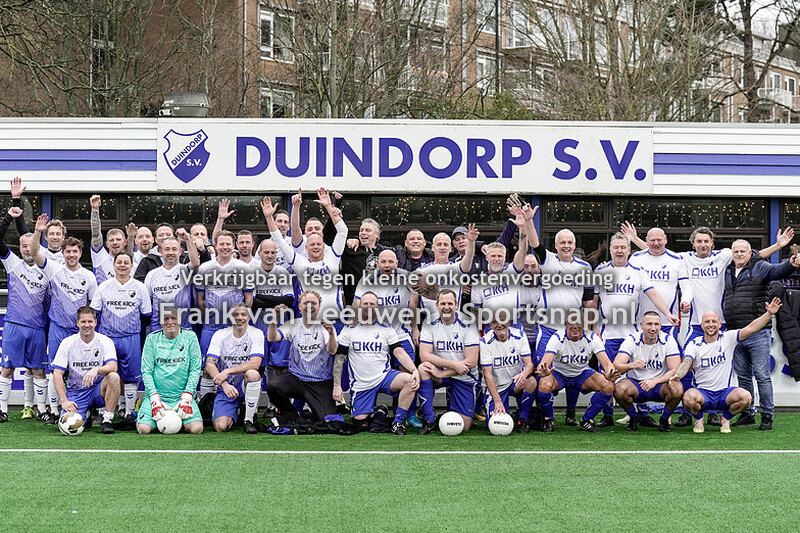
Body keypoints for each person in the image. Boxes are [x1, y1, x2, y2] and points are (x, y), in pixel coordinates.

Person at [593, 232, 678, 427]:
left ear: (629, 250)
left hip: (631, 336)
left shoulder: (639, 271)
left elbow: (653, 294)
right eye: (616, 247)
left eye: (623, 247)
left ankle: (643, 414)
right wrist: (593, 327)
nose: (620, 250)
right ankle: (607, 416)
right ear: (610, 250)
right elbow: (593, 302)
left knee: (639, 374)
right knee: (608, 376)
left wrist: (666, 313)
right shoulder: (601, 271)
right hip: (608, 336)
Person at [671, 298, 783, 434]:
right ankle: (699, 419)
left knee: (746, 397)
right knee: (688, 398)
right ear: (701, 325)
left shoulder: (728, 338)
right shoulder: (694, 343)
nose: (710, 325)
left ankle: (726, 418)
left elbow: (751, 328)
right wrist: (678, 375)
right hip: (703, 394)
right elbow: (687, 361)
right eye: (707, 322)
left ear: (719, 324)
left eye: (714, 322)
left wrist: (769, 313)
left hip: (724, 394)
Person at [722, 241, 799, 430]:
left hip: (758, 332)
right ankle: (747, 414)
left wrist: (791, 263)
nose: (739, 254)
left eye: (743, 251)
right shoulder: (728, 270)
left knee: (762, 376)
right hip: (736, 333)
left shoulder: (759, 266)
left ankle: (767, 415)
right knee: (744, 377)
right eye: (736, 251)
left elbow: (777, 271)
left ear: (750, 253)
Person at [31, 214, 97, 423]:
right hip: (58, 328)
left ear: (80, 253)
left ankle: (89, 408)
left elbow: (93, 308)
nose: (71, 255)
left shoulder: (89, 276)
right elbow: (33, 252)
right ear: (63, 252)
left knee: (84, 371)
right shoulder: (54, 269)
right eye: (67, 251)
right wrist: (38, 232)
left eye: (74, 251)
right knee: (55, 370)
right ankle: (52, 409)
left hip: (80, 332)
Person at [333, 291, 420, 435]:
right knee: (361, 423)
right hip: (361, 384)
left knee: (411, 381)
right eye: (365, 304)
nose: (368, 307)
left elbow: (398, 351)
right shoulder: (349, 329)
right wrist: (337, 385)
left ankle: (397, 422)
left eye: (372, 304)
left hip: (384, 377)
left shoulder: (386, 328)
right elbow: (339, 358)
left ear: (378, 307)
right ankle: (380, 411)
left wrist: (414, 370)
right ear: (359, 307)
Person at [0, 180, 49, 422]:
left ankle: (41, 409)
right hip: (15, 325)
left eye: (30, 244)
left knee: (39, 369)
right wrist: (12, 210)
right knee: (7, 369)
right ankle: (3, 409)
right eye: (22, 245)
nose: (26, 248)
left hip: (37, 327)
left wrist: (18, 204)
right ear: (19, 249)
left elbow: (29, 235)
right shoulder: (13, 263)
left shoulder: (46, 266)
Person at [261, 193, 346, 322]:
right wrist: (269, 217)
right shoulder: (300, 262)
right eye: (312, 244)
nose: (316, 247)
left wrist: (329, 206)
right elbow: (279, 241)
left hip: (335, 320)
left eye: (318, 244)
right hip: (308, 322)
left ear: (324, 246)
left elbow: (343, 231)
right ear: (306, 247)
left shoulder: (333, 258)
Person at [89, 251, 152, 422]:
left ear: (132, 266)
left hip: (130, 338)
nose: (122, 265)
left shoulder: (140, 288)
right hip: (107, 338)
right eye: (119, 262)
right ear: (114, 265)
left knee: (131, 376)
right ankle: (103, 411)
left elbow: (146, 315)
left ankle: (129, 412)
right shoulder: (104, 287)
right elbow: (95, 312)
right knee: (105, 375)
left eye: (126, 262)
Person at [195, 229, 254, 399]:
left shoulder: (243, 268)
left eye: (228, 244)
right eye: (221, 244)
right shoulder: (205, 268)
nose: (225, 247)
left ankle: (239, 402)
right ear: (215, 245)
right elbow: (201, 299)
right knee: (208, 366)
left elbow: (248, 299)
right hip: (211, 327)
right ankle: (207, 405)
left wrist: (242, 322)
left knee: (238, 365)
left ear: (234, 245)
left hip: (234, 327)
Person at [537, 311, 619, 433]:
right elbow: (545, 363)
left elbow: (606, 362)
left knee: (608, 386)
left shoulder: (591, 337)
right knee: (544, 384)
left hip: (582, 374)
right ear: (565, 324)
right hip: (560, 374)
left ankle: (587, 420)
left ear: (584, 324)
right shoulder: (557, 337)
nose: (575, 326)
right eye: (571, 322)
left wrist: (610, 372)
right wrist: (544, 371)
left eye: (578, 322)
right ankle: (549, 418)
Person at [266, 291, 340, 423]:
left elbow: (333, 351)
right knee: (273, 386)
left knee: (328, 421)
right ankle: (292, 415)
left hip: (320, 381)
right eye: (306, 303)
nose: (310, 306)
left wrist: (331, 335)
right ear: (300, 306)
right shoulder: (293, 324)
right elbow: (272, 338)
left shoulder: (326, 326)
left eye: (313, 303)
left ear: (319, 306)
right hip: (297, 379)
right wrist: (274, 318)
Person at [417, 289, 480, 434]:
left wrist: (443, 373)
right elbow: (424, 355)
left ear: (456, 305)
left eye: (450, 303)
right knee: (423, 368)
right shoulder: (429, 322)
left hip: (464, 375)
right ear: (437, 305)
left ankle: (445, 415)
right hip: (445, 371)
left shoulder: (468, 322)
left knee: (464, 426)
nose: (447, 307)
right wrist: (451, 365)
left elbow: (471, 362)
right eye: (443, 303)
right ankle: (429, 420)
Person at [51, 306, 120, 434]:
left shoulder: (105, 341)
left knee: (113, 377)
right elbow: (57, 374)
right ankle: (87, 413)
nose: (86, 325)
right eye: (83, 322)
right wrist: (64, 401)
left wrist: (97, 370)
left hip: (98, 390)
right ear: (77, 323)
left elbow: (113, 366)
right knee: (68, 426)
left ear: (95, 322)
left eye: (90, 321)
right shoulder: (68, 343)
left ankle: (107, 420)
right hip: (77, 393)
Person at [137, 306, 203, 434]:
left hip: (181, 396)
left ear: (180, 320)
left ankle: (175, 418)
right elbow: (146, 371)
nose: (170, 322)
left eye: (173, 318)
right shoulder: (152, 339)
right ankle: (150, 415)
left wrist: (187, 396)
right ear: (161, 322)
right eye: (166, 319)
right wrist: (154, 398)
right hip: (157, 396)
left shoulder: (190, 337)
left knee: (197, 429)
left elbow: (195, 369)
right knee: (144, 429)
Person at [613, 311, 683, 432]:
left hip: (659, 385)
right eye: (649, 324)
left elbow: (675, 369)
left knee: (677, 388)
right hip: (636, 384)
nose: (653, 328)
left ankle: (664, 419)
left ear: (660, 326)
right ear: (641, 325)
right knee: (619, 389)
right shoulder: (632, 339)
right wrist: (632, 365)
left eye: (656, 324)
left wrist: (655, 381)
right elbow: (617, 365)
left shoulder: (668, 340)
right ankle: (634, 417)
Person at [205, 302, 265, 434]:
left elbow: (255, 364)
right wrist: (224, 384)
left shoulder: (256, 334)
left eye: (243, 314)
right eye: (235, 315)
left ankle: (248, 420)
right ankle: (238, 411)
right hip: (227, 389)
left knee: (253, 374)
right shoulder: (220, 334)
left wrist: (227, 371)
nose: (240, 317)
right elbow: (209, 364)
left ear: (249, 317)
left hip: (245, 384)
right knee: (220, 427)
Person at [479, 317, 538, 433]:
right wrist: (497, 401)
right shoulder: (485, 342)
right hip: (496, 387)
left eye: (502, 321)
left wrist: (524, 374)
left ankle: (523, 419)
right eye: (495, 322)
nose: (499, 325)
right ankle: (505, 410)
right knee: (495, 424)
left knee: (531, 382)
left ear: (509, 322)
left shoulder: (520, 335)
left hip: (514, 382)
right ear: (490, 325)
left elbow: (529, 365)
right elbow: (487, 375)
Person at [143, 230, 200, 332]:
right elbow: (147, 302)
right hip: (158, 330)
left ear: (180, 252)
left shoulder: (185, 271)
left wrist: (187, 239)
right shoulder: (151, 274)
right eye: (167, 249)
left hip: (183, 329)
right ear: (161, 252)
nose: (170, 253)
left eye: (174, 249)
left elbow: (195, 263)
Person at [89, 194, 133, 284]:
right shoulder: (100, 257)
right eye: (112, 240)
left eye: (118, 239)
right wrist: (95, 210)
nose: (115, 242)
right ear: (107, 244)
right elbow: (96, 233)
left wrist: (131, 237)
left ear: (125, 242)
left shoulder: (130, 261)